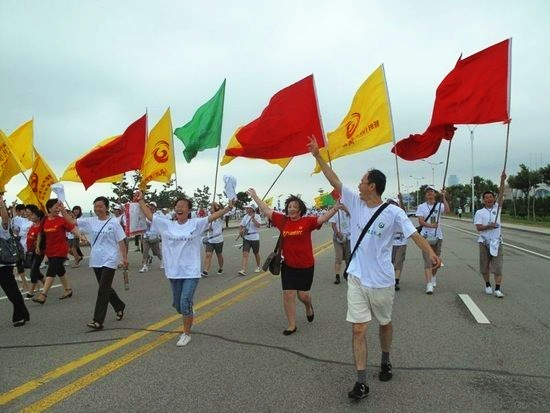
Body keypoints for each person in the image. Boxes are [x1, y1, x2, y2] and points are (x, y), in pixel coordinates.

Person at [308, 136, 440, 400]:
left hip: (381, 280)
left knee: (385, 323)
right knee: (358, 328)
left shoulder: (393, 212)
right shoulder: (354, 202)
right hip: (356, 277)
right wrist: (317, 156)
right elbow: (334, 180)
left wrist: (431, 253)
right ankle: (360, 381)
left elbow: (414, 235)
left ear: (373, 187)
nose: (358, 184)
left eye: (363, 181)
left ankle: (386, 358)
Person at [136, 190, 234, 347]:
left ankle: (186, 333)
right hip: (174, 271)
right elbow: (150, 216)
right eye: (177, 206)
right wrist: (141, 201)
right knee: (178, 306)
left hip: (191, 271)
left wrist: (228, 208)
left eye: (183, 206)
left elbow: (212, 217)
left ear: (189, 210)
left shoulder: (196, 224)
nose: (179, 208)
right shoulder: (166, 224)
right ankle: (188, 311)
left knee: (185, 301)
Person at [248, 189, 340, 335]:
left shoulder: (307, 221)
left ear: (300, 210)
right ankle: (292, 325)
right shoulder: (282, 221)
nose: (291, 209)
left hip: (305, 265)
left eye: (295, 207)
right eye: (289, 207)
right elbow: (266, 210)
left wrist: (335, 208)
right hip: (288, 266)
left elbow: (322, 219)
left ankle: (308, 306)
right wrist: (255, 196)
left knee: (303, 296)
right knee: (288, 293)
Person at [72, 196, 129, 329]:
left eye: (100, 206)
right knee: (105, 287)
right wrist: (62, 209)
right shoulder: (90, 221)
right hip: (96, 259)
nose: (98, 209)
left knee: (102, 289)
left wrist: (124, 258)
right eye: (96, 206)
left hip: (110, 259)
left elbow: (121, 241)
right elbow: (71, 221)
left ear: (106, 208)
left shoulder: (113, 223)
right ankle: (119, 305)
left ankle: (98, 320)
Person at [32, 199, 81, 304]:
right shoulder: (45, 220)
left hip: (60, 251)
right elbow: (40, 233)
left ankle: (43, 295)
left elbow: (73, 228)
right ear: (49, 208)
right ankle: (68, 290)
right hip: (49, 250)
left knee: (51, 271)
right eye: (56, 207)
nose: (58, 209)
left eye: (59, 207)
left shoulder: (61, 220)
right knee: (60, 270)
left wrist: (80, 236)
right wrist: (38, 246)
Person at [474, 171, 507, 298]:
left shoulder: (497, 208)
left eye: (491, 197)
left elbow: (501, 193)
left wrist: (502, 181)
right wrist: (489, 226)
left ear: (493, 199)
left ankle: (498, 288)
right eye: (486, 197)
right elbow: (478, 228)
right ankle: (488, 285)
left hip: (497, 242)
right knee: (484, 266)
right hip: (484, 242)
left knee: (498, 266)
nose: (489, 199)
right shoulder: (479, 212)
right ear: (483, 200)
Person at [0, 194, 30, 326]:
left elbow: (5, 220)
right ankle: (23, 313)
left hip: (3, 264)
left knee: (11, 291)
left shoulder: (3, 228)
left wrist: (1, 202)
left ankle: (20, 314)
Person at [416, 185, 449, 294]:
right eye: (427, 192)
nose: (430, 194)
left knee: (436, 259)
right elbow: (420, 221)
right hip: (425, 236)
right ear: (425, 195)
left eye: (431, 192)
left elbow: (447, 210)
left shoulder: (439, 205)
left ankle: (433, 276)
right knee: (427, 260)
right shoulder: (421, 207)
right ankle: (429, 284)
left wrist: (443, 197)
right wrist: (431, 226)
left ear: (435, 194)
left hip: (438, 236)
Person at [24, 205, 46, 299]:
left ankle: (31, 292)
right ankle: (46, 284)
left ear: (39, 218)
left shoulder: (42, 227)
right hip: (30, 251)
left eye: (34, 216)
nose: (31, 217)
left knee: (33, 270)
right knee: (35, 269)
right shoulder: (32, 225)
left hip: (38, 251)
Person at [388, 197, 407, 291]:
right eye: (390, 203)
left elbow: (403, 210)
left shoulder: (401, 214)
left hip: (401, 242)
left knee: (398, 261)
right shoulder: (386, 215)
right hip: (390, 243)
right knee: (390, 262)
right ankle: (390, 279)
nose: (392, 205)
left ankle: (396, 281)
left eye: (394, 203)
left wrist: (401, 200)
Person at [329, 203, 351, 285]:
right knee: (339, 257)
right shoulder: (335, 212)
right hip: (338, 238)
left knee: (348, 257)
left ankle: (348, 274)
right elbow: (333, 225)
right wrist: (338, 233)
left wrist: (346, 209)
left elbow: (354, 217)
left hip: (349, 238)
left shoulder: (350, 211)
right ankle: (337, 276)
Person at [201, 202, 225, 277]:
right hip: (210, 239)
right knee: (208, 254)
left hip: (218, 239)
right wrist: (207, 229)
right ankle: (206, 271)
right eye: (210, 209)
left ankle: (221, 267)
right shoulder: (209, 217)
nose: (210, 210)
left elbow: (222, 210)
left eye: (211, 208)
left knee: (219, 255)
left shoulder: (220, 217)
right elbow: (205, 227)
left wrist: (215, 204)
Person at [139, 201, 163, 273]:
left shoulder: (157, 215)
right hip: (146, 236)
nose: (151, 207)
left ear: (155, 208)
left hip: (154, 237)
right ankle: (144, 266)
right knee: (145, 251)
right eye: (150, 206)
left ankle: (162, 261)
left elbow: (156, 224)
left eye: (153, 206)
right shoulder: (144, 215)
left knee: (157, 252)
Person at [238, 204, 262, 276]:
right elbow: (241, 225)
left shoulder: (257, 216)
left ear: (252, 209)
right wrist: (240, 231)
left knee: (256, 253)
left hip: (254, 237)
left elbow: (258, 225)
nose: (247, 209)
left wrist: (253, 219)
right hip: (246, 238)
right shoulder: (245, 217)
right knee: (245, 254)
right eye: (246, 208)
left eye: (248, 208)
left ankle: (258, 266)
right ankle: (243, 269)